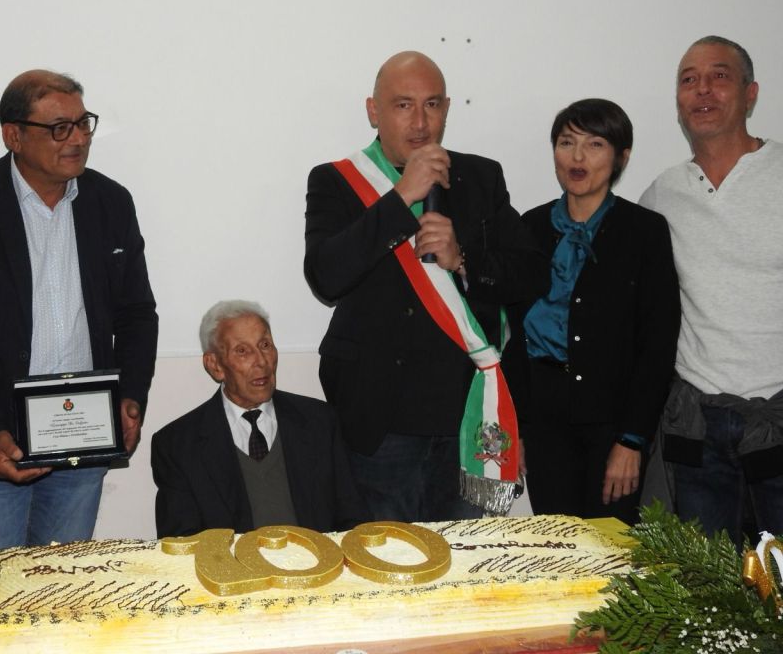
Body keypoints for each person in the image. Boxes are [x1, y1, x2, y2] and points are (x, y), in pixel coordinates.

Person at [0, 69, 158, 557]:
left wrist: (130, 397)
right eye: (59, 128)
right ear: (13, 136)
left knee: (62, 589)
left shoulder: (110, 202)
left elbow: (137, 313)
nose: (78, 139)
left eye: (83, 124)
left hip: (83, 441)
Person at [304, 51, 547, 522]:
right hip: (380, 421)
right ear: (373, 111)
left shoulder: (481, 176)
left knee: (468, 557)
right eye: (403, 105)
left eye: (432, 104)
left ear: (447, 109)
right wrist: (401, 198)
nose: (420, 122)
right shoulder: (335, 180)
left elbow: (531, 274)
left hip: (467, 414)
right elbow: (326, 277)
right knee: (385, 558)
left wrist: (463, 260)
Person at [639, 36, 783, 548]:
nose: (702, 90)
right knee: (705, 581)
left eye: (719, 76)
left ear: (750, 94)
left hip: (778, 415)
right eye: (689, 80)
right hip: (697, 426)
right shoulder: (661, 196)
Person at [519, 99, 680, 524]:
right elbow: (511, 334)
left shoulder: (644, 231)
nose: (577, 157)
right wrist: (515, 426)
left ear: (621, 157)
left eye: (594, 144)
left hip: (614, 422)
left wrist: (632, 440)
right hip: (543, 421)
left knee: (612, 548)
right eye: (566, 142)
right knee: (556, 545)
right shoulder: (529, 227)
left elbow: (658, 343)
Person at [151, 300, 367, 538]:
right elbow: (182, 545)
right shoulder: (178, 446)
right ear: (215, 365)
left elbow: (353, 521)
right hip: (231, 563)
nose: (262, 361)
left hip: (316, 560)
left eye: (265, 345)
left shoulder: (319, 422)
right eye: (242, 351)